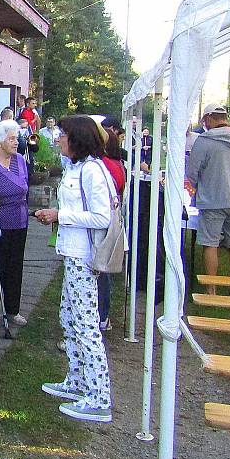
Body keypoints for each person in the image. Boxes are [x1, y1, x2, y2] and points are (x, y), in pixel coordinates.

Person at [34, 114, 114, 423]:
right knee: (69, 318)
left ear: (76, 139)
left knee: (85, 325)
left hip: (84, 256)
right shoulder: (78, 168)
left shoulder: (92, 171)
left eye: (63, 135)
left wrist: (60, 215)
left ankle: (99, 396)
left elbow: (101, 217)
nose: (57, 139)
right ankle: (78, 381)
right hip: (73, 253)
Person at [186, 103, 230, 295]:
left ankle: (211, 289)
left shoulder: (204, 141)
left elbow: (192, 173)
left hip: (213, 199)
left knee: (210, 243)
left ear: (209, 118)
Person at [0, 120, 30, 327]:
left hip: (20, 220)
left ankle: (12, 309)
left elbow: (26, 186)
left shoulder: (20, 160)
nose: (16, 142)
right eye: (11, 138)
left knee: (15, 266)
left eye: (16, 138)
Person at [97, 126, 126, 332]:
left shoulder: (105, 165)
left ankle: (102, 315)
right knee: (103, 272)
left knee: (101, 273)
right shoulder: (116, 163)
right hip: (112, 219)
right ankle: (104, 314)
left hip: (104, 223)